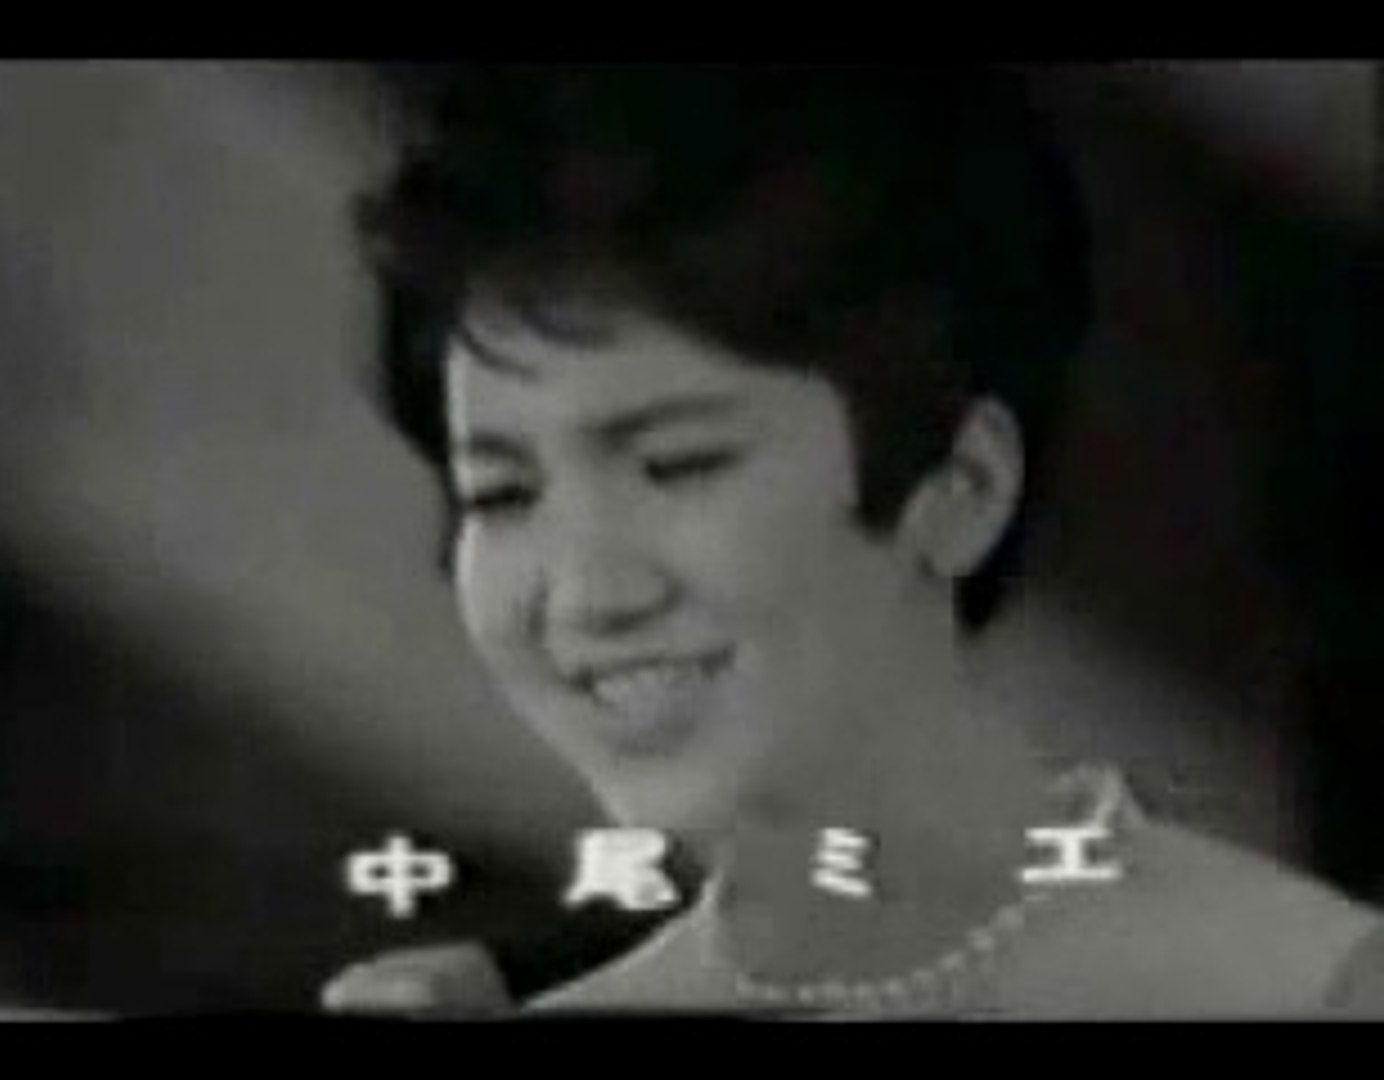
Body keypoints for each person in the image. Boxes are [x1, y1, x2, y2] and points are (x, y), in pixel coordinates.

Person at [327, 64, 1384, 1018]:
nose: (586, 594)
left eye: (679, 464)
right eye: (503, 492)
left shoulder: (1307, 988)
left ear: (961, 487)